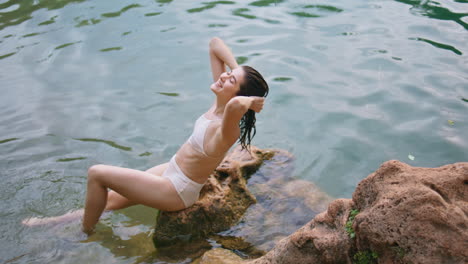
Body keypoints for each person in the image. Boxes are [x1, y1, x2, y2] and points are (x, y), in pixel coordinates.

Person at [23, 37, 269, 234]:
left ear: (237, 96)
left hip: (177, 190)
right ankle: (56, 222)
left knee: (97, 174)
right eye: (228, 74)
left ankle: (84, 235)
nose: (223, 76)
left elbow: (236, 106)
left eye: (230, 80)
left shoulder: (226, 128)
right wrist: (237, 72)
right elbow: (215, 44)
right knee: (108, 200)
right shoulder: (219, 101)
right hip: (171, 169)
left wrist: (249, 101)